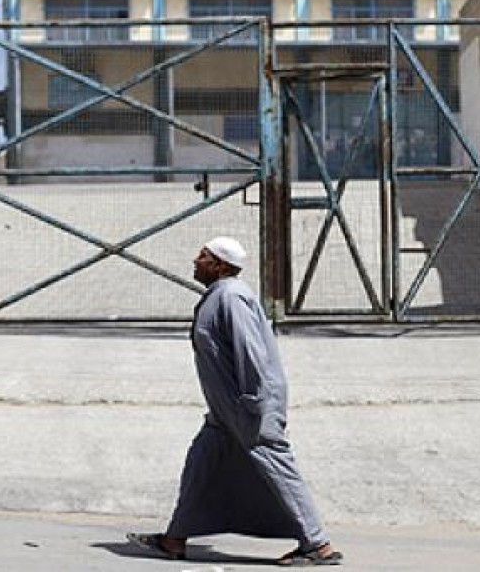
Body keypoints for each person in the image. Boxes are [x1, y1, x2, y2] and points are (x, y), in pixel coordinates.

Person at [127, 237, 343, 567]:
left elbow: (251, 353)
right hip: (226, 411)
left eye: (204, 256)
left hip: (247, 407)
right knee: (201, 464)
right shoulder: (219, 296)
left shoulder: (231, 297)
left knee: (277, 467)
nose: (196, 260)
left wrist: (253, 404)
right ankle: (174, 540)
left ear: (222, 265)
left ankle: (318, 545)